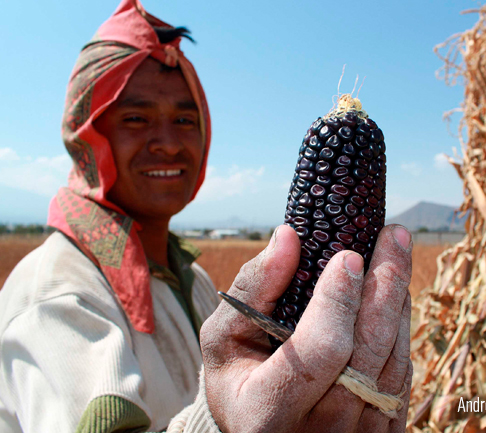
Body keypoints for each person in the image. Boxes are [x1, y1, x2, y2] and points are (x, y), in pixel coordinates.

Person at [0, 1, 413, 432]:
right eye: (136, 118)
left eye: (184, 118)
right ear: (86, 135)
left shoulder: (192, 279)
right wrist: (226, 423)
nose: (168, 143)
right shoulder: (57, 298)